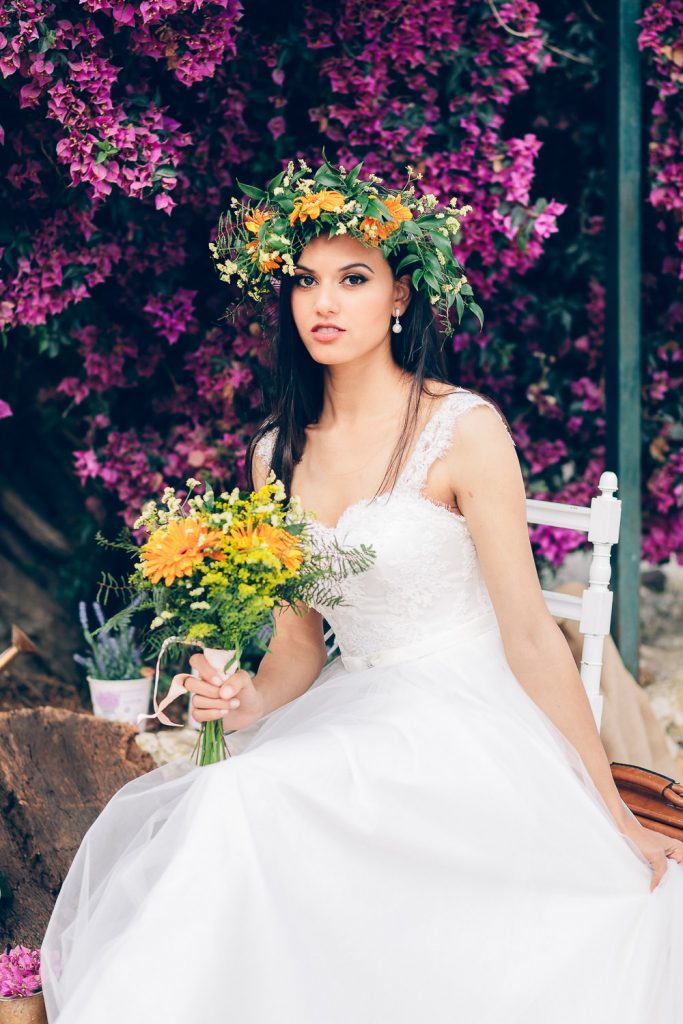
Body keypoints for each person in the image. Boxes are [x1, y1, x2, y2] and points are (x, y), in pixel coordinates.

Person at [42, 157, 683, 1023]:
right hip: (357, 700)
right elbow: (299, 650)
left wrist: (605, 807)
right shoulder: (277, 451)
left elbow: (531, 636)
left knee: (272, 798)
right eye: (304, 282)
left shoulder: (464, 429)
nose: (324, 303)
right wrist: (233, 701)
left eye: (352, 278)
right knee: (232, 789)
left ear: (398, 298)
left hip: (465, 706)